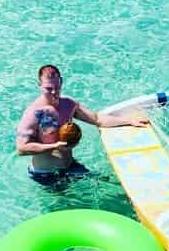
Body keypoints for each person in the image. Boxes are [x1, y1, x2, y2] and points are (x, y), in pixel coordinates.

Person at [16, 64, 148, 185]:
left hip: (70, 166)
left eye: (57, 87)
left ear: (61, 81)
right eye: (48, 88)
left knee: (105, 183)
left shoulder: (68, 105)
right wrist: (54, 146)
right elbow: (21, 148)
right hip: (45, 175)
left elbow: (97, 119)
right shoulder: (34, 113)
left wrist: (129, 121)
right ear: (39, 85)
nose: (54, 92)